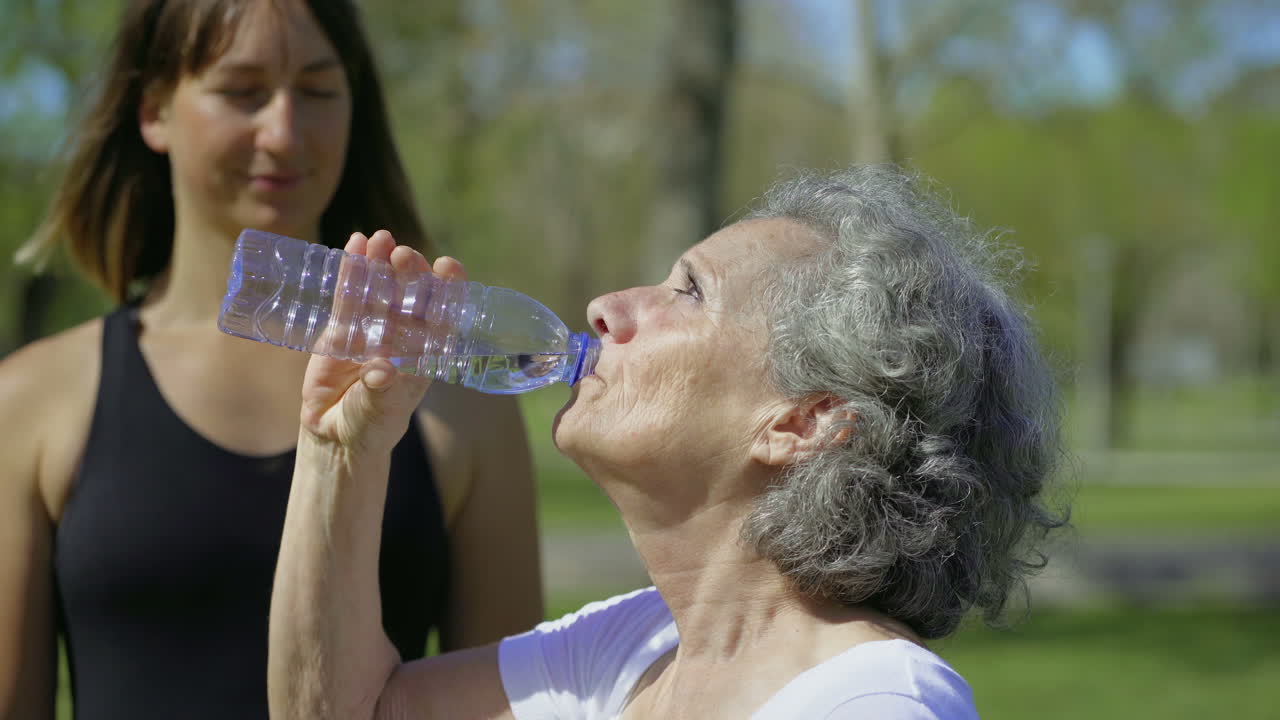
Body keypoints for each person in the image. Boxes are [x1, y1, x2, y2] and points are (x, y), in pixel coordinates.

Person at [267, 165, 1070, 719]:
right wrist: (342, 451)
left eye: (687, 292)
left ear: (801, 421)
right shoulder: (634, 646)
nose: (605, 306)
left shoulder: (872, 703)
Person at [0, 1, 542, 718]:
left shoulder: (457, 404)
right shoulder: (33, 399)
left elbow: (521, 707)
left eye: (318, 91)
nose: (284, 133)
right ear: (154, 112)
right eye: (241, 92)